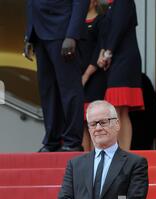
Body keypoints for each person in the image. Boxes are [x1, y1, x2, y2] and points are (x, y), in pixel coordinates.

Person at [24, 0, 89, 152]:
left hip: (63, 31)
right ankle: (52, 141)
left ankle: (72, 141)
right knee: (48, 91)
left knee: (69, 89)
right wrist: (29, 34)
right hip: (39, 32)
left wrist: (72, 35)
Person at [97, 0, 144, 151]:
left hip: (123, 59)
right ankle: (122, 151)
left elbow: (118, 29)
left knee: (118, 109)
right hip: (119, 58)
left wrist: (107, 52)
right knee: (119, 110)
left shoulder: (123, 2)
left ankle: (122, 152)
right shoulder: (112, 5)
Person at [80, 0, 107, 151]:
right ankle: (86, 158)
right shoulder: (76, 23)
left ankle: (97, 158)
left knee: (95, 121)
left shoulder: (101, 20)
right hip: (78, 77)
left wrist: (86, 75)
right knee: (82, 122)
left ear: (95, 2)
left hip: (95, 77)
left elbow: (100, 49)